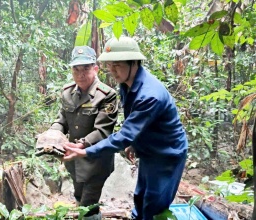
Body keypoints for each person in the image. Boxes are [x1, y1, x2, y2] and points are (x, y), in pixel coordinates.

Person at [63, 36, 188, 220]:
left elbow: (123, 136)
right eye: (110, 65)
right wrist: (134, 144)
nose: (112, 71)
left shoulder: (150, 95)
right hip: (148, 149)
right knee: (140, 196)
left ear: (134, 63)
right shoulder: (126, 84)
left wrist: (86, 152)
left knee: (154, 205)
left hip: (165, 154)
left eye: (118, 65)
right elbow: (134, 122)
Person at [49, 45, 118, 219]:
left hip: (96, 160)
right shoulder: (66, 92)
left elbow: (103, 130)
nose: (81, 74)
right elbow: (61, 120)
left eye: (86, 68)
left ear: (95, 68)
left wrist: (81, 144)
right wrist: (52, 134)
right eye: (76, 69)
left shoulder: (106, 95)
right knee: (80, 197)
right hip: (73, 160)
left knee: (89, 204)